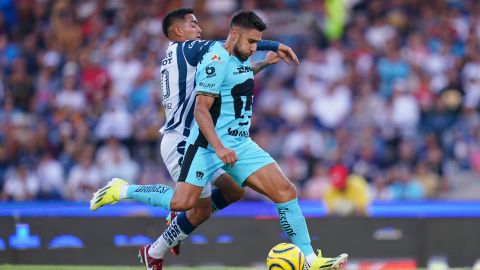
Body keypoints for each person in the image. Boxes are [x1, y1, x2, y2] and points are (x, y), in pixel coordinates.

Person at [90, 8, 299, 269]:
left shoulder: (182, 56)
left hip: (197, 139)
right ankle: (121, 190)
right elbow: (234, 42)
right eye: (193, 24)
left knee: (233, 191)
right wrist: (275, 44)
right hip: (183, 139)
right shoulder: (188, 48)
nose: (198, 29)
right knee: (185, 203)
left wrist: (264, 62)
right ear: (178, 31)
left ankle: (154, 251)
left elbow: (230, 76)